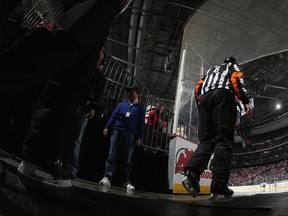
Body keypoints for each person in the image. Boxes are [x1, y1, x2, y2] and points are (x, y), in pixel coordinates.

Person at [182, 57, 252, 199]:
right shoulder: (232, 66)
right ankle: (219, 185)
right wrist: (245, 100)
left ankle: (192, 174)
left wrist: (201, 106)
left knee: (206, 142)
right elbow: (236, 80)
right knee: (223, 140)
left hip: (204, 100)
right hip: (222, 96)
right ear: (233, 62)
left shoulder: (210, 70)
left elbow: (197, 88)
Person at [61, 50, 107, 179]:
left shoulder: (101, 77)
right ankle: (56, 160)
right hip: (72, 102)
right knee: (63, 131)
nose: (97, 55)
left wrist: (93, 108)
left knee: (76, 137)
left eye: (100, 55)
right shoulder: (84, 70)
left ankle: (70, 168)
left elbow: (98, 94)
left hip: (83, 107)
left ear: (102, 60)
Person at [99, 87, 145, 191]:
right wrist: (107, 126)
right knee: (112, 155)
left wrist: (139, 137)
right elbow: (114, 115)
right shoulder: (123, 104)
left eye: (131, 92)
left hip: (130, 135)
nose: (129, 93)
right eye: (128, 92)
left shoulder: (140, 109)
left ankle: (125, 181)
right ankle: (107, 177)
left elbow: (141, 124)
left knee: (127, 160)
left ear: (137, 93)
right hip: (117, 131)